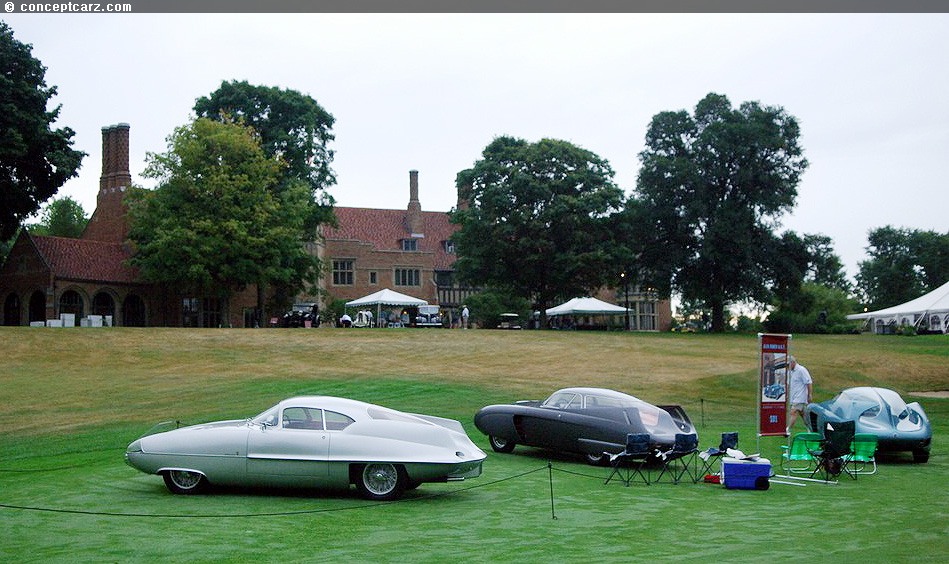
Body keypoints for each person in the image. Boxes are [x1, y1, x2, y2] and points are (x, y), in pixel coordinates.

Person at [787, 355, 813, 432]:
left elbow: (809, 382)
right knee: (803, 414)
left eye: (788, 364)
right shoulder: (790, 372)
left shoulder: (801, 370)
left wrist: (809, 394)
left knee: (793, 412)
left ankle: (787, 429)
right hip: (793, 396)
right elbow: (789, 384)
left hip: (800, 397)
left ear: (793, 362)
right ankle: (811, 429)